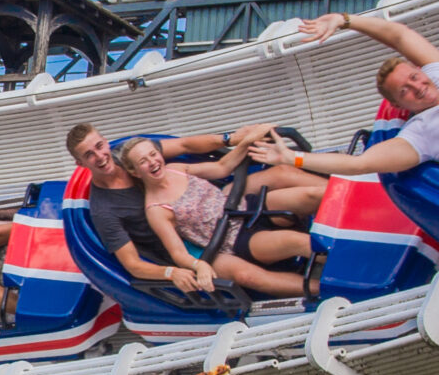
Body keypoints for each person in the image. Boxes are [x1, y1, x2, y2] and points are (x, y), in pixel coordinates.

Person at [64, 123, 316, 298]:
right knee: (248, 274)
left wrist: (233, 139)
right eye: (89, 154)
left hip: (210, 203)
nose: (99, 156)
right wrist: (175, 272)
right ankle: (323, 286)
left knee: (283, 174)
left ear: (106, 142)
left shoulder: (138, 156)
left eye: (99, 146)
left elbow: (190, 149)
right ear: (80, 163)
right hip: (194, 239)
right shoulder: (111, 210)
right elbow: (133, 264)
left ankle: (348, 193)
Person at [118, 138, 310, 298]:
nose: (152, 162)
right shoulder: (156, 209)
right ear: (135, 172)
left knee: (307, 195)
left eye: (153, 154)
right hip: (234, 236)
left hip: (242, 207)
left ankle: (339, 195)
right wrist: (198, 265)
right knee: (294, 242)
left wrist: (246, 140)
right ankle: (328, 287)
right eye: (143, 161)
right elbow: (178, 253)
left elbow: (222, 167)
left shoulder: (176, 168)